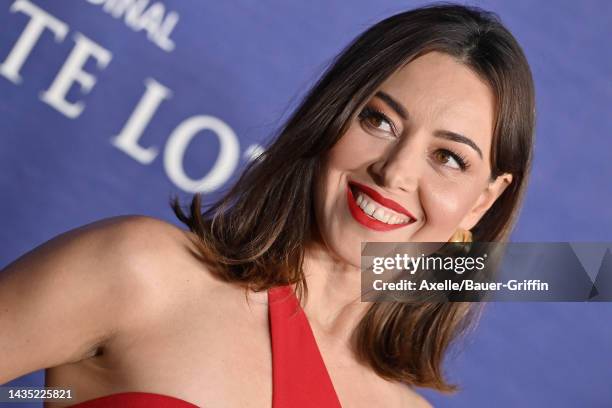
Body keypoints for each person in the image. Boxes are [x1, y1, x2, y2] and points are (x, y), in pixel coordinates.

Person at [0, 3, 535, 407]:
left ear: (481, 202)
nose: (395, 171)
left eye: (447, 157)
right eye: (379, 121)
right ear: (332, 116)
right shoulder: (141, 271)